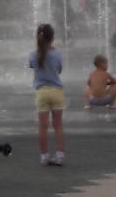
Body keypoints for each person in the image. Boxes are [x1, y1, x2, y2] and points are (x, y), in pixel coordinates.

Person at [30, 23, 65, 166]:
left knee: (43, 127)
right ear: (53, 38)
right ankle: (60, 155)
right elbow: (59, 69)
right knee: (58, 126)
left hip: (41, 93)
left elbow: (33, 66)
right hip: (57, 91)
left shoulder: (34, 55)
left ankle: (44, 156)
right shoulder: (57, 54)